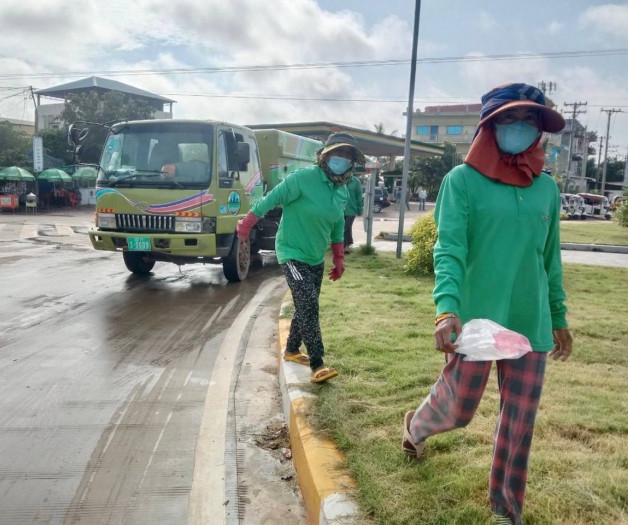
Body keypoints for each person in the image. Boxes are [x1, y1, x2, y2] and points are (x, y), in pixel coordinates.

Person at [401, 83, 573, 525]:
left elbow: (549, 258)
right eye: (510, 119)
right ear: (489, 126)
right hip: (477, 321)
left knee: (519, 425)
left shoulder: (546, 191)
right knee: (459, 408)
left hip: (529, 321)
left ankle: (505, 510)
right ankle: (416, 427)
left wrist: (558, 316)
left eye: (531, 121)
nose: (521, 128)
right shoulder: (462, 181)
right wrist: (446, 308)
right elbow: (449, 249)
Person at [236, 132, 366, 383]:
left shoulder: (342, 190)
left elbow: (338, 225)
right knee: (308, 303)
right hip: (291, 252)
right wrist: (247, 222)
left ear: (352, 163)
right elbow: (271, 198)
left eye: (347, 156)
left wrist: (339, 258)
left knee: (304, 304)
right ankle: (318, 363)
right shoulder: (303, 178)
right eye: (337, 153)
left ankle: (293, 350)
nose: (342, 159)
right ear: (325, 156)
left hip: (315, 256)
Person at [343, 174, 363, 253]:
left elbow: (359, 196)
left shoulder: (356, 181)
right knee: (344, 228)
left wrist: (360, 208)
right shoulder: (339, 178)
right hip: (340, 208)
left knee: (346, 227)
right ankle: (347, 245)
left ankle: (345, 246)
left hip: (351, 209)